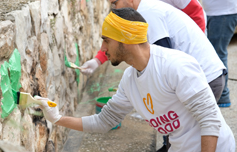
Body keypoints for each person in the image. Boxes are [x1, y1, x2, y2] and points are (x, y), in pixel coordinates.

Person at [35, 8, 235, 152]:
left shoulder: (175, 66)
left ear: (127, 40)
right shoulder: (129, 80)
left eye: (106, 40)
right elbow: (105, 121)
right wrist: (57, 119)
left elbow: (210, 120)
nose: (103, 49)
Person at [108, 0, 226, 151]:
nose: (113, 9)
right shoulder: (148, 9)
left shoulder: (149, 14)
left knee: (186, 134)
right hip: (206, 74)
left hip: (205, 77)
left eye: (115, 3)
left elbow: (163, 59)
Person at [190, 0, 237, 108]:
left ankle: (223, 97)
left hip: (224, 13)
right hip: (216, 13)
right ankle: (221, 96)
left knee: (218, 54)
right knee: (216, 53)